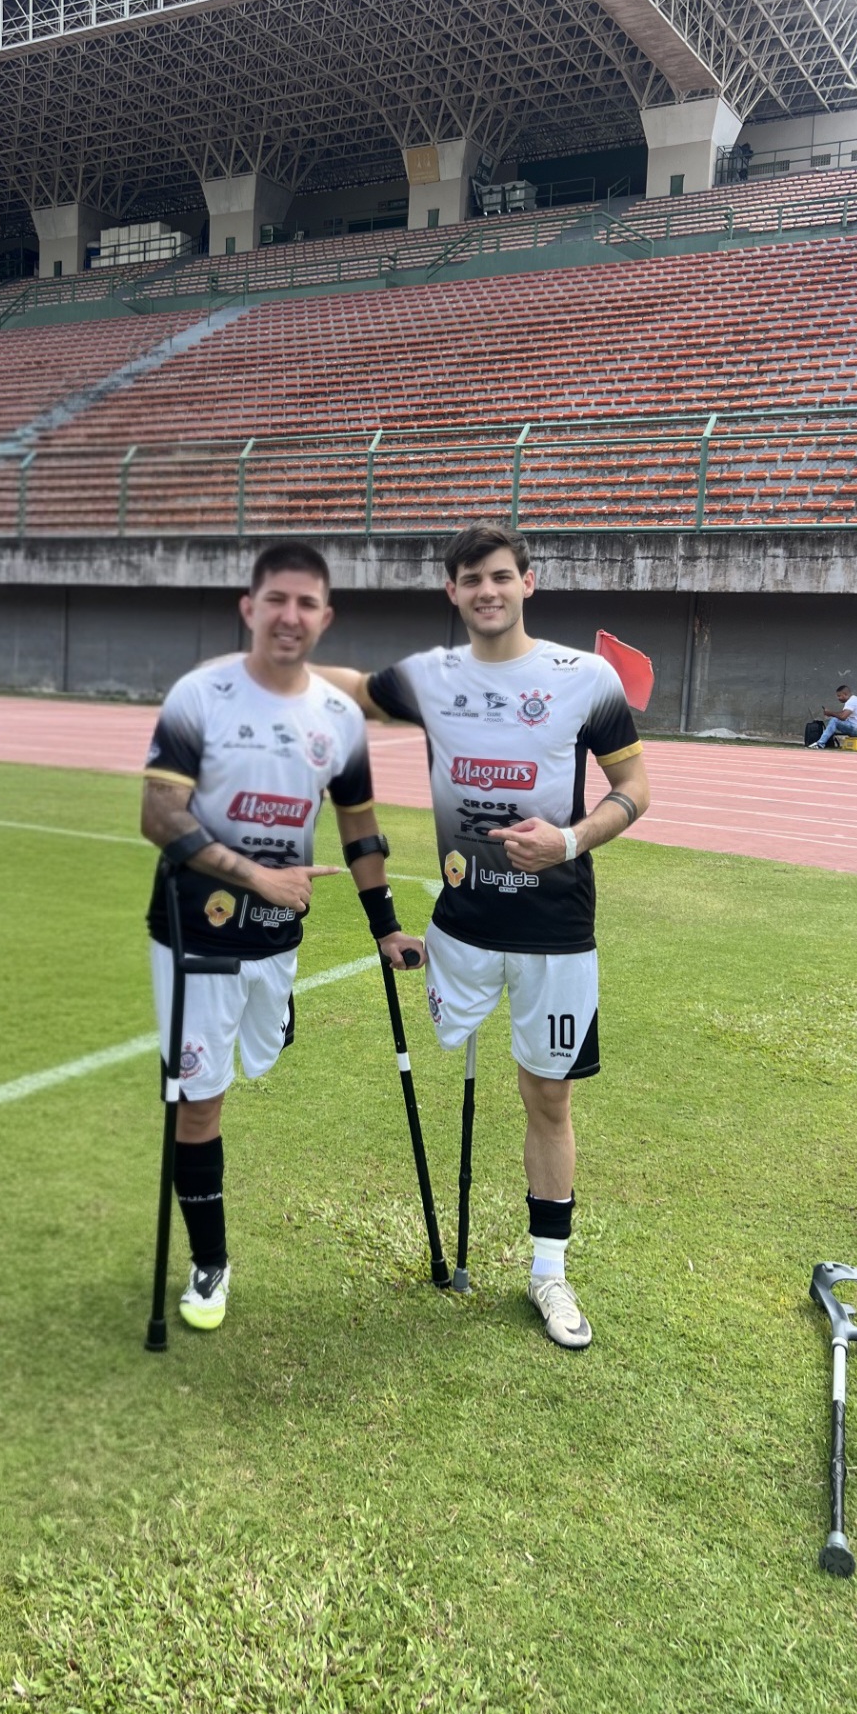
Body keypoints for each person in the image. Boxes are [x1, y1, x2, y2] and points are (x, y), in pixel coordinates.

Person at [314, 522, 650, 1351]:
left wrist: (568, 840)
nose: (487, 591)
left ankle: (549, 1273)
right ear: (452, 592)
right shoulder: (432, 676)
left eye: (501, 576)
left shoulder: (585, 678)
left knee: (549, 1099)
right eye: (471, 580)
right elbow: (354, 689)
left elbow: (635, 787)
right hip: (461, 929)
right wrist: (262, 666)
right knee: (465, 1065)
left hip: (556, 930)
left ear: (527, 582)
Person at [141, 540, 422, 1331]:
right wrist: (257, 877)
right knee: (199, 1101)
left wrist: (387, 928)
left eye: (306, 603)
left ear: (325, 617)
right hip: (192, 933)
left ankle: (272, 1008)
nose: (289, 615)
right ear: (249, 608)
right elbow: (159, 814)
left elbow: (360, 828)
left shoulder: (338, 718)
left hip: (276, 937)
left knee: (264, 1046)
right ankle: (210, 1263)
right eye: (276, 600)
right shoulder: (200, 696)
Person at [809, 684, 857, 749]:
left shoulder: (852, 701)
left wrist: (830, 713)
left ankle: (820, 744)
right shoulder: (853, 700)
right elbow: (842, 714)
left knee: (834, 720)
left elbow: (843, 717)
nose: (838, 698)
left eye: (839, 696)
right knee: (833, 720)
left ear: (845, 694)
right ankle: (827, 743)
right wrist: (830, 714)